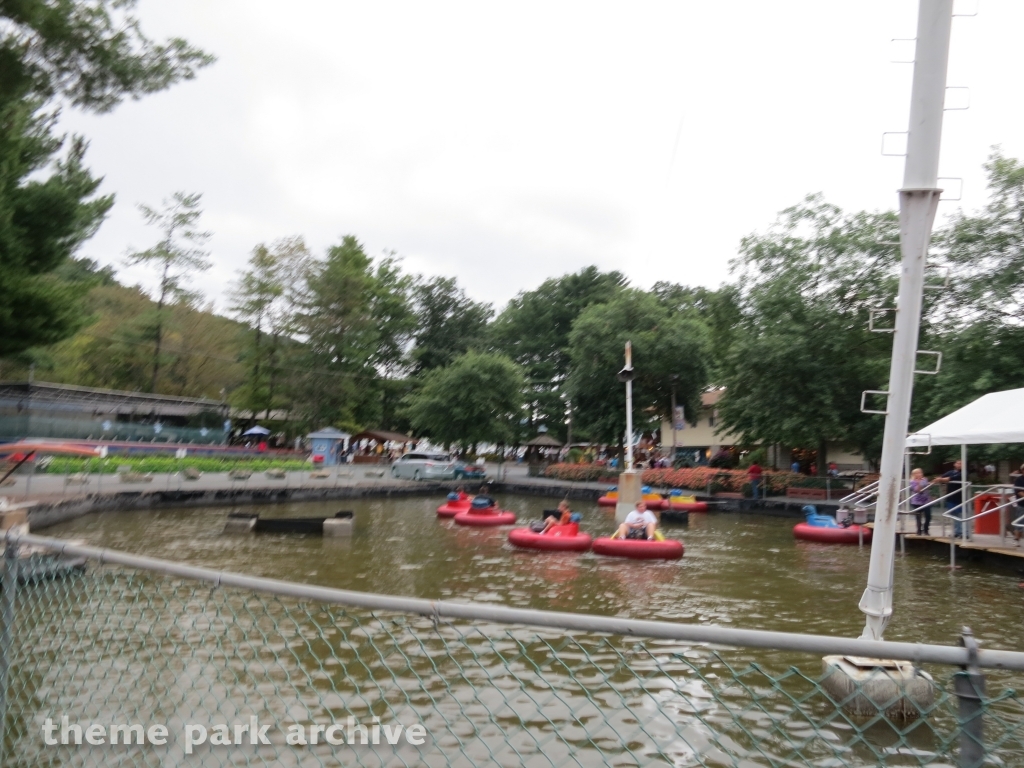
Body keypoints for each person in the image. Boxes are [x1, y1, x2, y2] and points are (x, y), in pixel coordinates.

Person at [936, 459, 965, 538]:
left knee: (959, 515)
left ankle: (961, 532)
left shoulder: (963, 473)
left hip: (959, 498)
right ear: (954, 464)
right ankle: (956, 531)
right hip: (950, 497)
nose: (959, 465)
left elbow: (949, 479)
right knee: (953, 515)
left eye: (961, 464)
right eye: (958, 463)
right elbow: (941, 478)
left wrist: (941, 479)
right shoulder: (950, 472)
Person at [909, 467, 932, 535]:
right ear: (914, 474)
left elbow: (928, 487)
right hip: (916, 501)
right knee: (918, 516)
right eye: (918, 473)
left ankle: (926, 529)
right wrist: (918, 482)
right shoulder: (912, 481)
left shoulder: (925, 479)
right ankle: (919, 530)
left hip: (926, 500)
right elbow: (917, 490)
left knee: (928, 516)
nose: (920, 474)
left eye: (921, 472)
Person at [1012, 463, 1024, 544]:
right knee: (1019, 523)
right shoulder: (1019, 480)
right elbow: (1019, 492)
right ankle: (1017, 540)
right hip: (1022, 505)